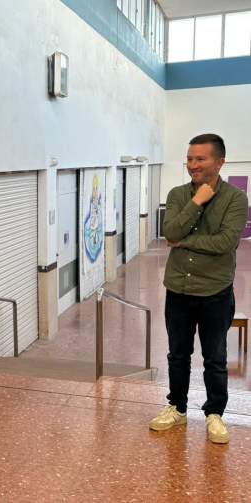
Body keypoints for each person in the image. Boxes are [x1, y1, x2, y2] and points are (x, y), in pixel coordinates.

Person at [149, 133, 248, 444]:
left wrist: (184, 242)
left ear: (219, 162)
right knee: (178, 354)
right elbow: (170, 231)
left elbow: (225, 242)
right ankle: (177, 407)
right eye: (190, 159)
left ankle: (214, 413)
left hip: (215, 292)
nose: (192, 165)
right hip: (178, 289)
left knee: (215, 357)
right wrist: (196, 202)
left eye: (200, 159)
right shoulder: (178, 194)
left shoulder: (236, 199)